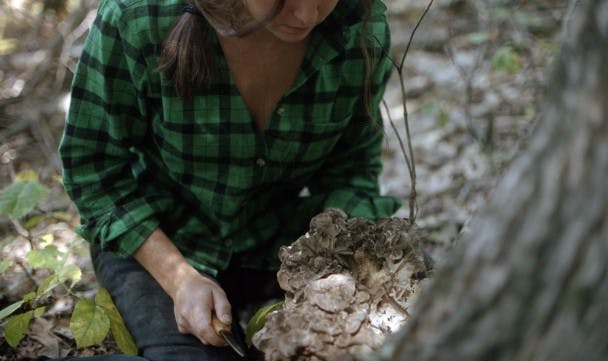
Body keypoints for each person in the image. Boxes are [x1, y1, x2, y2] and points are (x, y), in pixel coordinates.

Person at [57, 0, 400, 359]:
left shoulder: (358, 25)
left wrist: (339, 275)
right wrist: (180, 280)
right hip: (161, 237)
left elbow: (352, 168)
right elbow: (92, 169)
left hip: (279, 237)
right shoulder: (139, 16)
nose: (306, 15)